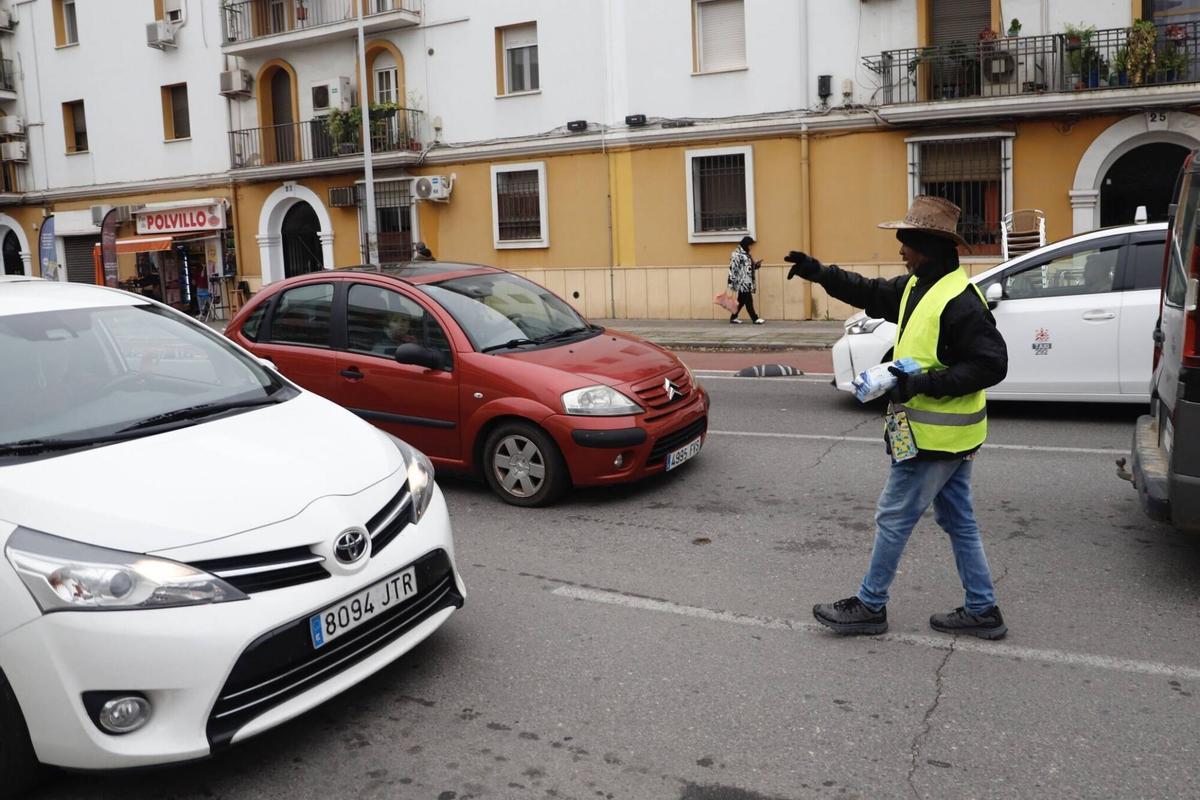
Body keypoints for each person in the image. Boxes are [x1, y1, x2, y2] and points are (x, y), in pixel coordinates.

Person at [784, 196, 1010, 640]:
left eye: (905, 241)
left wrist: (924, 382)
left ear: (926, 244)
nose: (899, 249)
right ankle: (983, 609)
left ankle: (870, 605)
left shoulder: (958, 301)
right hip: (936, 435)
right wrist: (819, 272)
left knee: (893, 516)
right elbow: (869, 292)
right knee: (958, 521)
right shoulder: (917, 286)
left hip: (934, 438)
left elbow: (992, 364)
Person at [727, 235, 764, 324]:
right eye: (750, 245)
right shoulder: (737, 254)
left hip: (747, 281)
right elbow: (733, 268)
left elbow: (748, 267)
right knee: (749, 301)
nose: (751, 247)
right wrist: (732, 281)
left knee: (741, 301)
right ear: (746, 244)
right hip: (742, 282)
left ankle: (733, 317)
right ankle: (755, 318)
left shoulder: (747, 254)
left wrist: (756, 265)